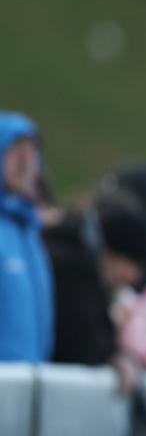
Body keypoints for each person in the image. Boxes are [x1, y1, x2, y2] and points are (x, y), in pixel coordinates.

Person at [0, 111, 54, 362]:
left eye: (31, 153)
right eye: (15, 152)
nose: (25, 163)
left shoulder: (29, 233)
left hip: (28, 392)